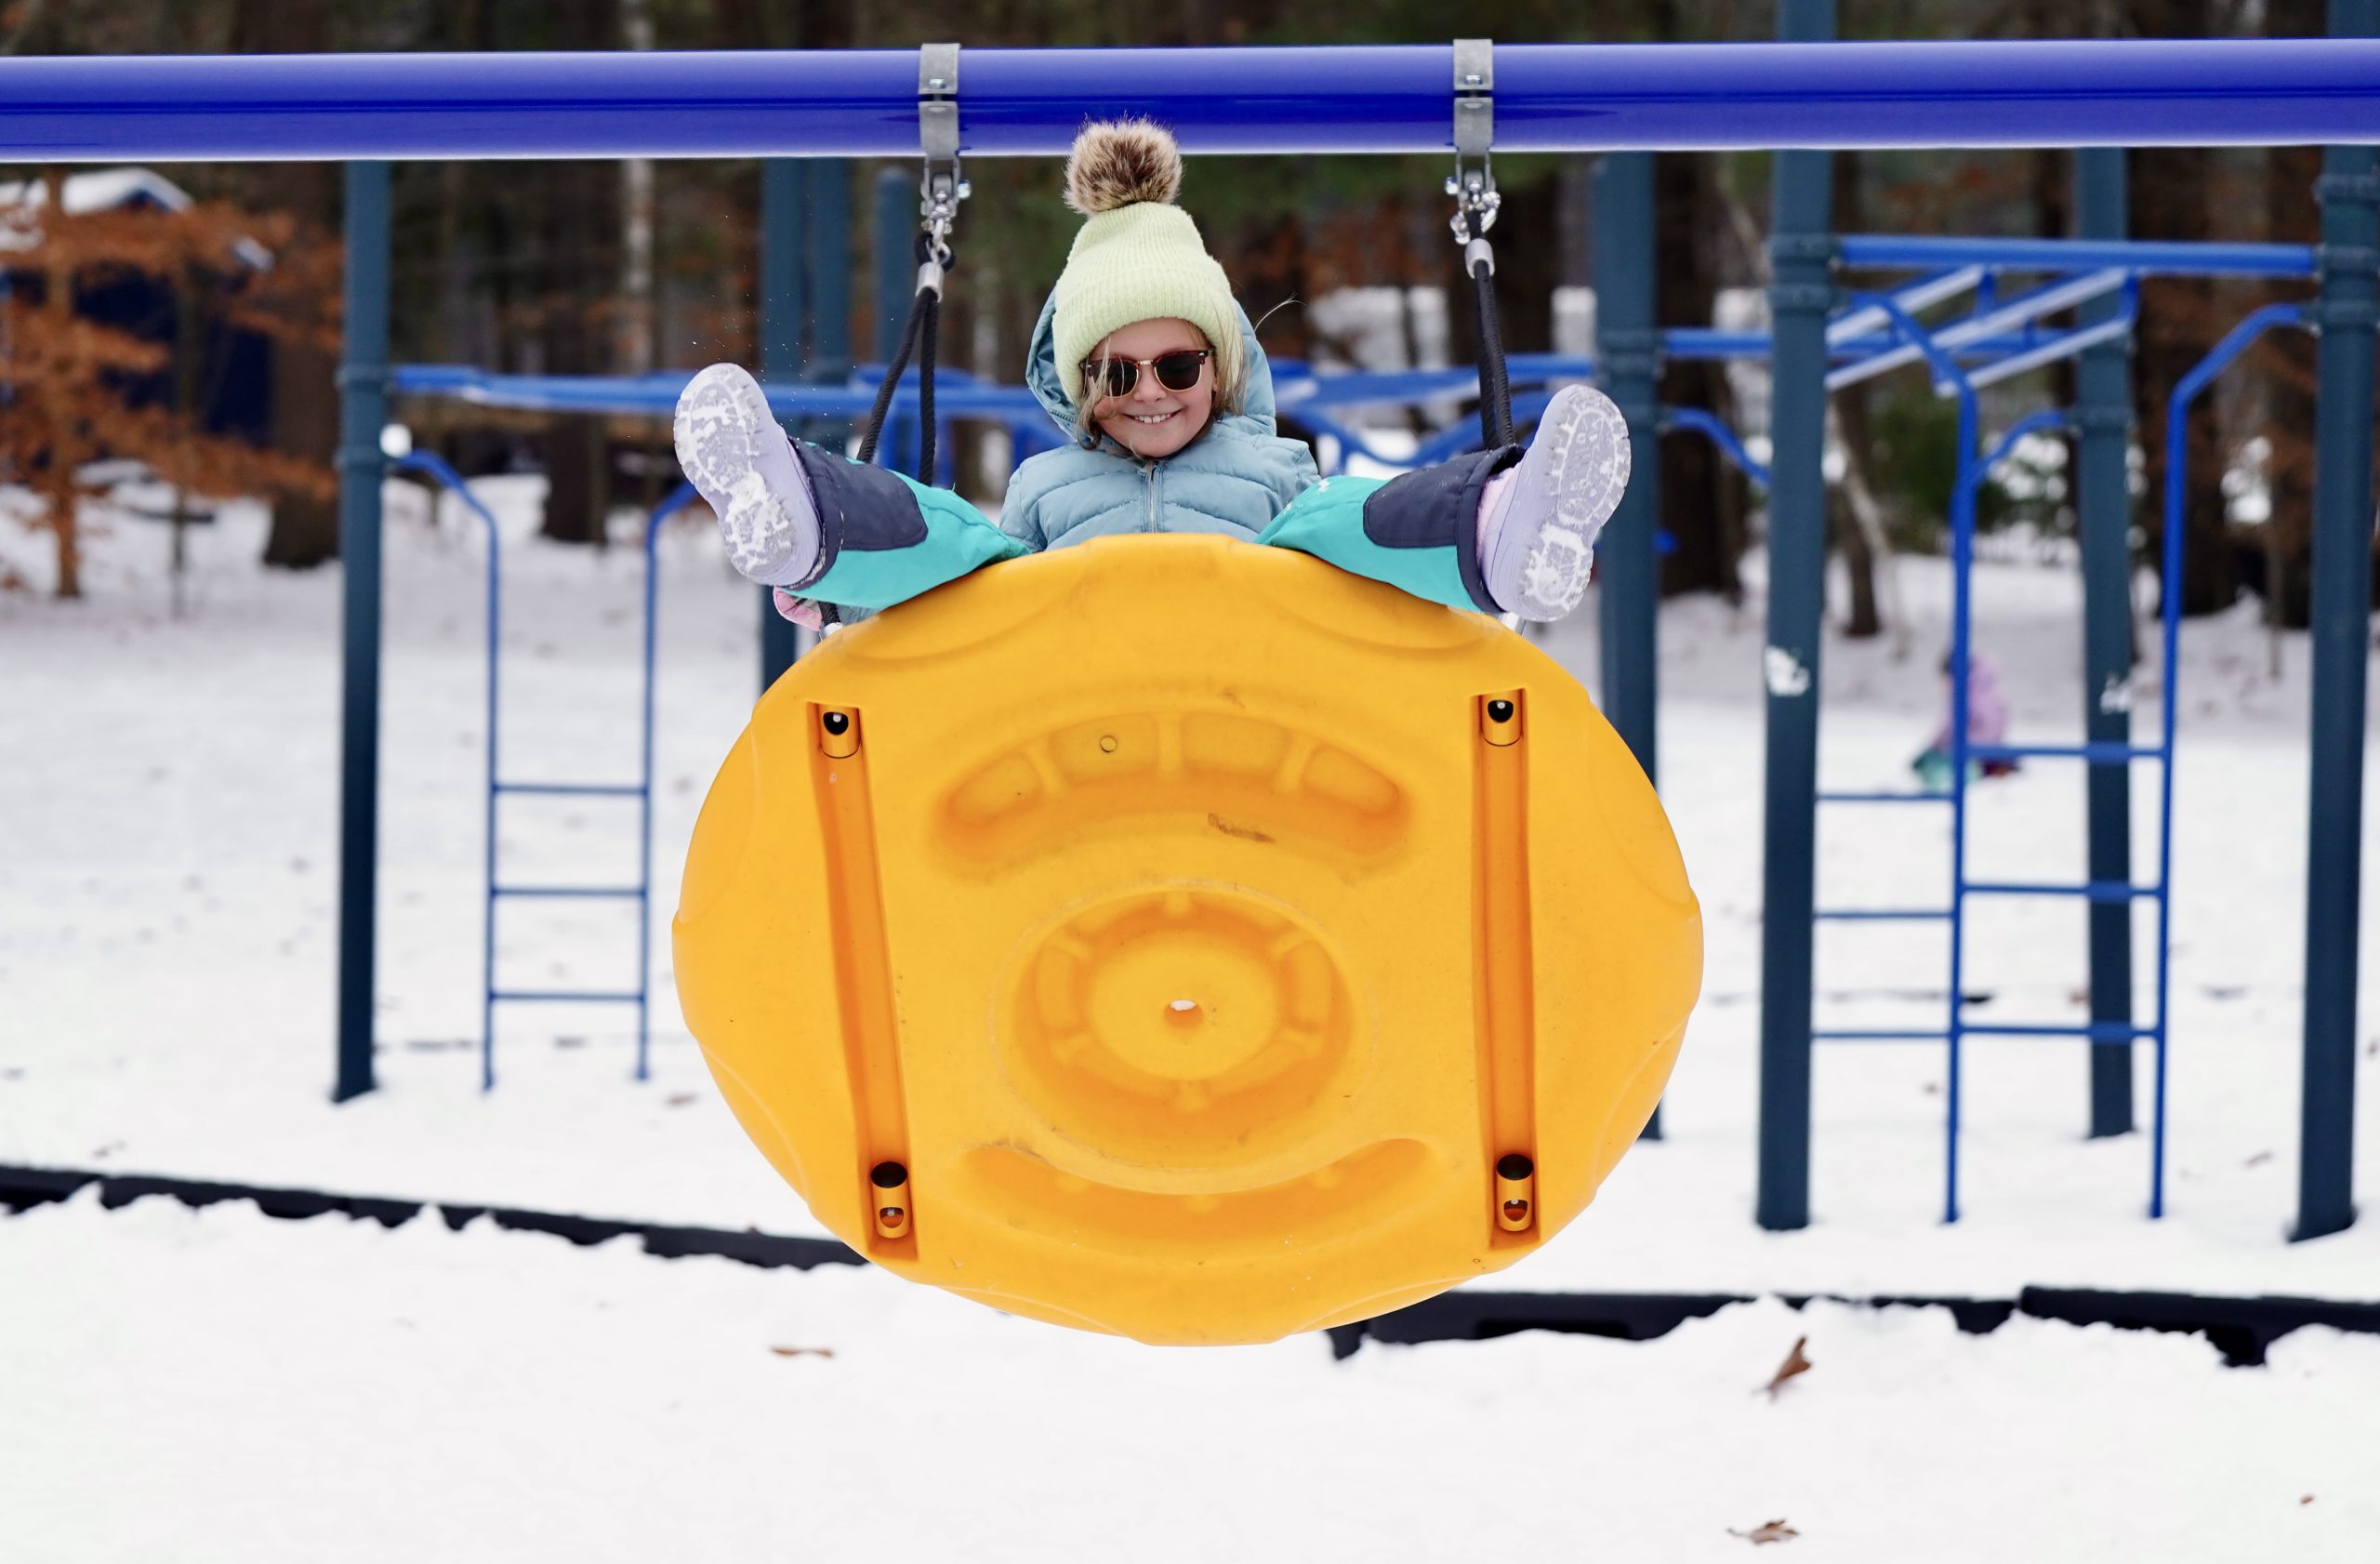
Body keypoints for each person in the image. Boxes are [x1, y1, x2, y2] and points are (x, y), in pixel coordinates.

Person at [673, 118, 1630, 632]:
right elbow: (963, 621)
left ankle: (1502, 530)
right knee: (971, 554)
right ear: (1080, 385)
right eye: (1115, 372)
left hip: (1259, 699)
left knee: (1337, 526)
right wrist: (849, 602)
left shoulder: (1276, 475)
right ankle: (817, 529)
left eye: (1176, 363)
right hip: (1072, 712)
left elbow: (1368, 590)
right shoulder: (1047, 483)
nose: (1149, 391)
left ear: (1220, 365)